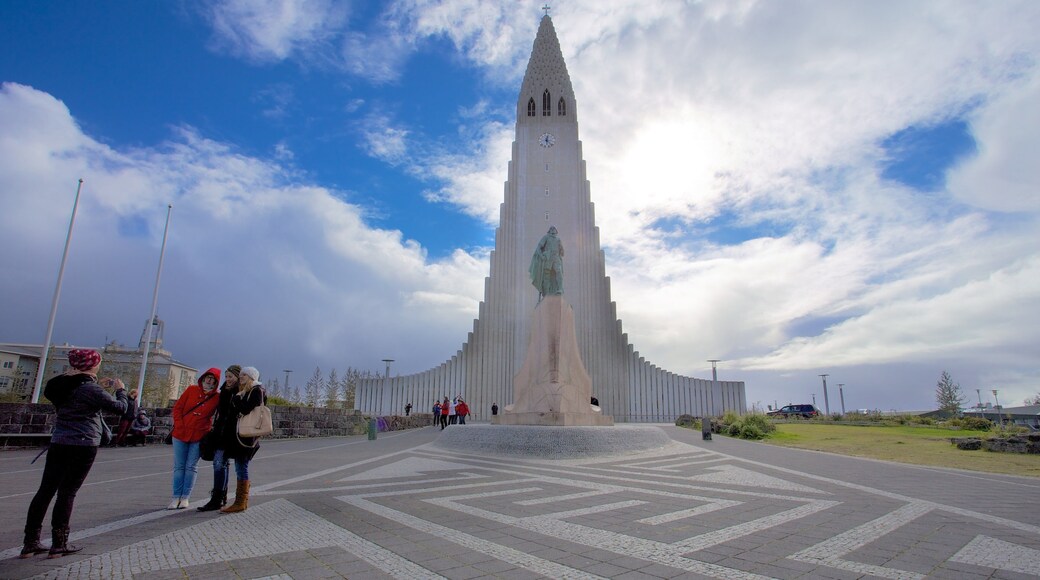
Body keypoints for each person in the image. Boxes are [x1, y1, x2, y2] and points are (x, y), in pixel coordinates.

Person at [21, 349, 127, 559]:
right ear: (92, 365)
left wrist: (82, 376)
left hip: (59, 441)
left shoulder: (58, 386)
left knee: (45, 491)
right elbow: (121, 408)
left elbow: (67, 384)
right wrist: (120, 390)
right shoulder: (89, 389)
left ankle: (30, 542)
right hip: (83, 443)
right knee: (67, 492)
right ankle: (59, 544)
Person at [169, 367, 221, 509]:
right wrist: (179, 425)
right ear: (203, 378)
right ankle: (175, 497)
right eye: (207, 378)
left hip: (199, 435)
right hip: (181, 433)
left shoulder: (216, 397)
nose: (209, 381)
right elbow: (178, 408)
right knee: (179, 466)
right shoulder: (191, 390)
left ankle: (185, 497)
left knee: (191, 466)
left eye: (212, 379)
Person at [219, 366, 266, 514]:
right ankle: (240, 501)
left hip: (247, 436)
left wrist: (237, 398)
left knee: (241, 466)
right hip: (241, 435)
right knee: (240, 465)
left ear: (252, 377)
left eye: (245, 375)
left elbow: (246, 409)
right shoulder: (247, 391)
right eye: (241, 375)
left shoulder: (256, 390)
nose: (241, 377)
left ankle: (240, 502)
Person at [197, 365, 239, 512]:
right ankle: (221, 497)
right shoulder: (224, 392)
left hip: (230, 433)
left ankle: (217, 498)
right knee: (222, 463)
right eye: (226, 376)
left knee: (219, 463)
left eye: (231, 377)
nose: (228, 379)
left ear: (237, 377)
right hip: (220, 432)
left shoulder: (238, 392)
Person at [529, 225, 564, 298]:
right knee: (546, 276)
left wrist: (561, 251)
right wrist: (541, 256)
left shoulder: (558, 239)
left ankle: (559, 289)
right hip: (548, 258)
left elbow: (562, 252)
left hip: (556, 258)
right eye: (551, 229)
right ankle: (546, 293)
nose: (553, 230)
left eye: (554, 228)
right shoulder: (546, 237)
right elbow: (539, 247)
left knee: (559, 272)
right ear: (549, 230)